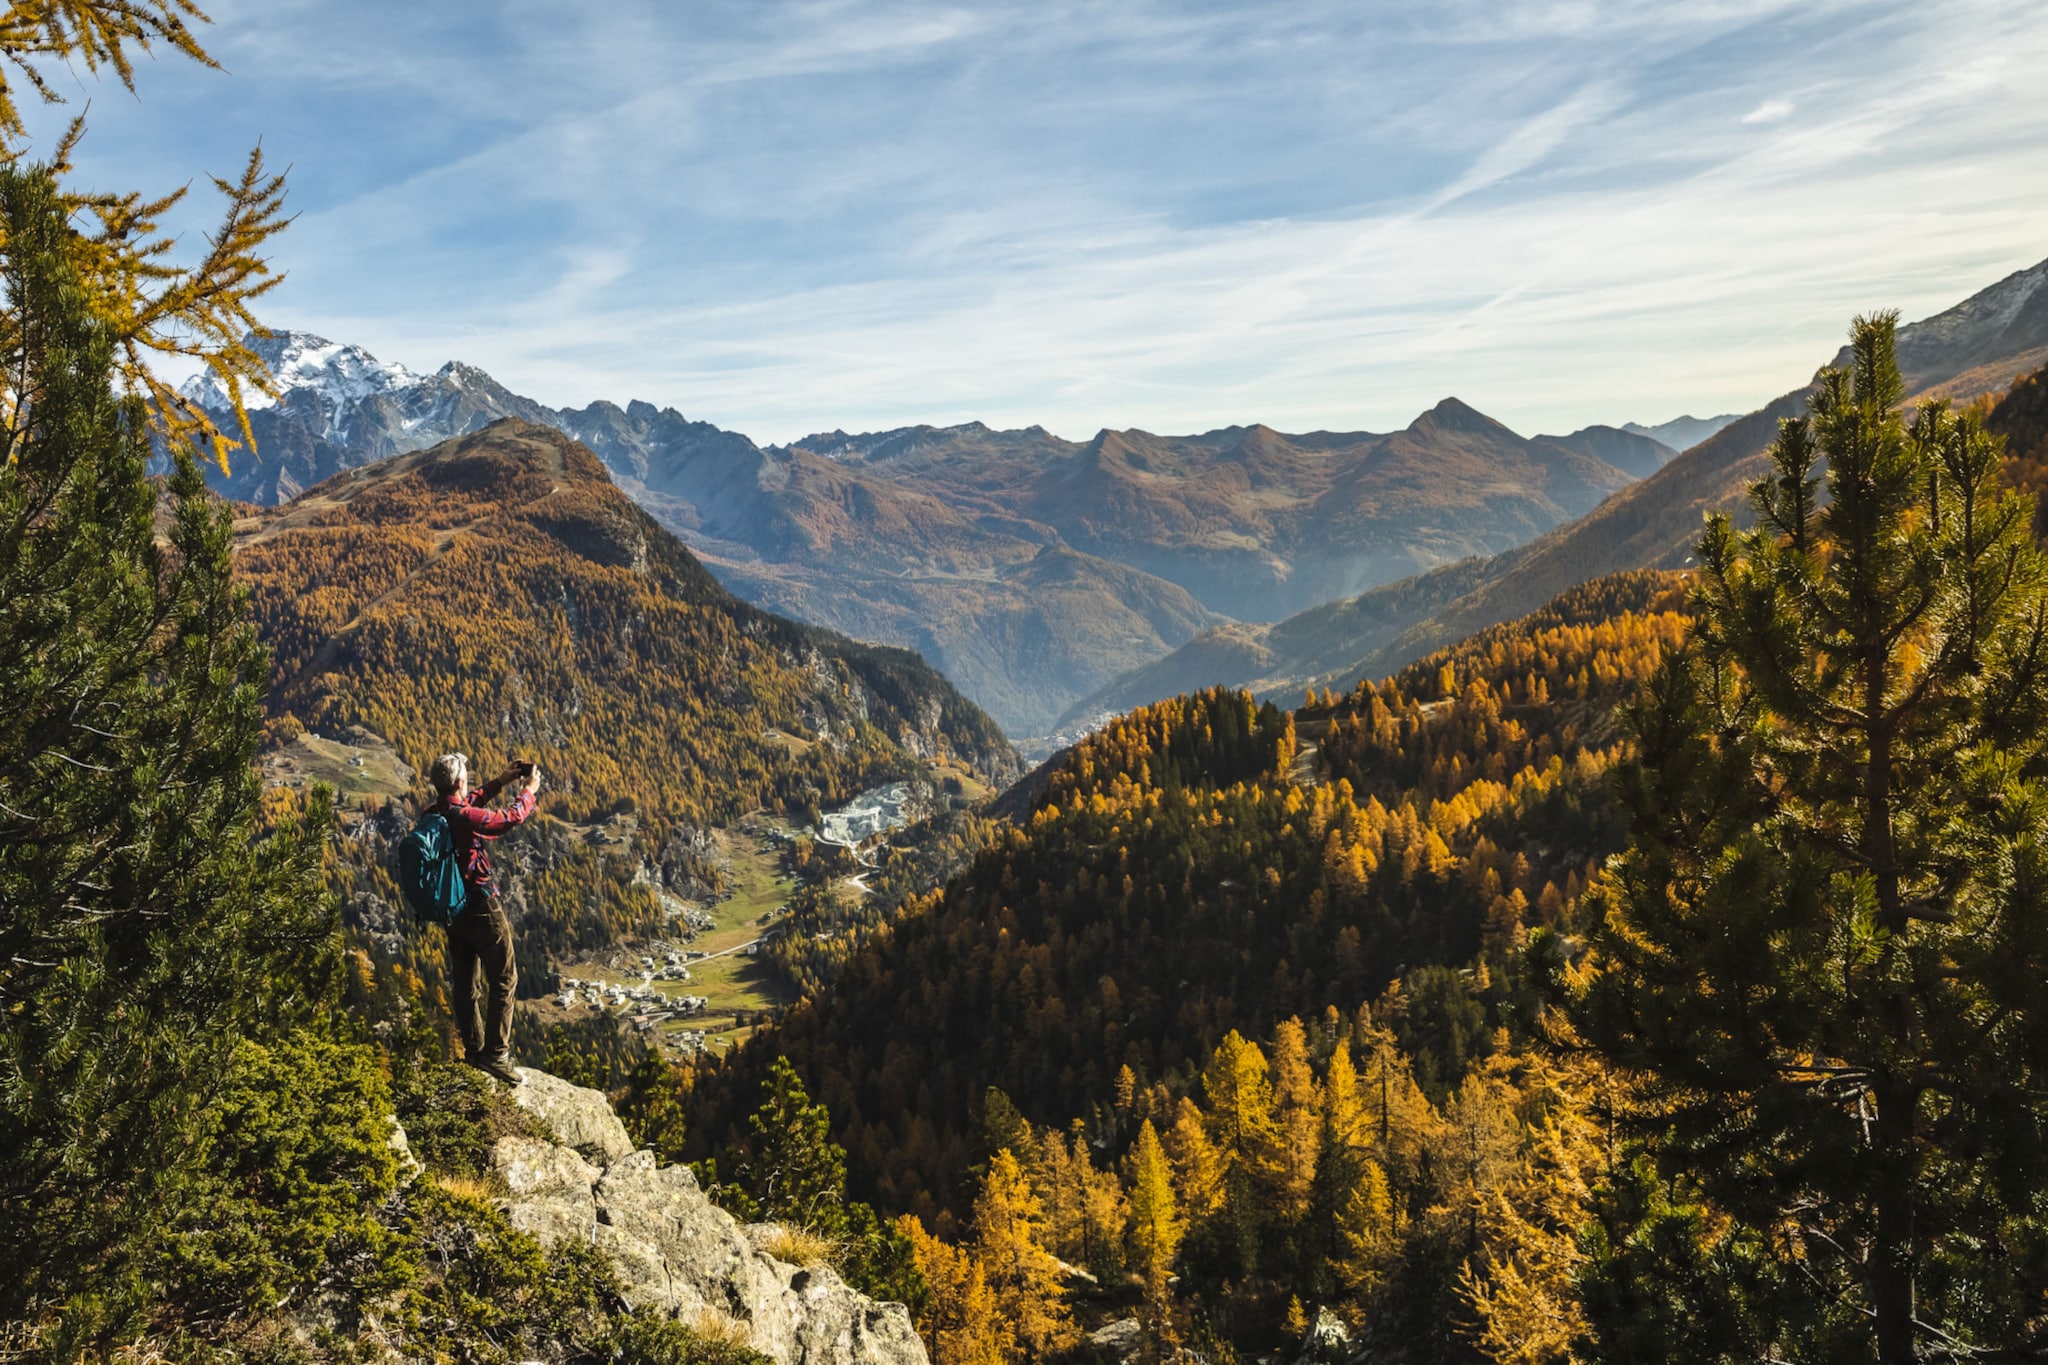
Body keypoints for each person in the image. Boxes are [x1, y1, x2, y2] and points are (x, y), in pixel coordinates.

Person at [426, 752, 541, 1084]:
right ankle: (496, 1056)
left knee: (465, 983)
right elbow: (509, 818)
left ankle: (475, 1052)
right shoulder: (465, 817)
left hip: (451, 908)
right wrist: (528, 790)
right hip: (481, 906)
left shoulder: (435, 813)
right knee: (504, 978)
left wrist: (500, 782)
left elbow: (468, 802)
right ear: (461, 781)